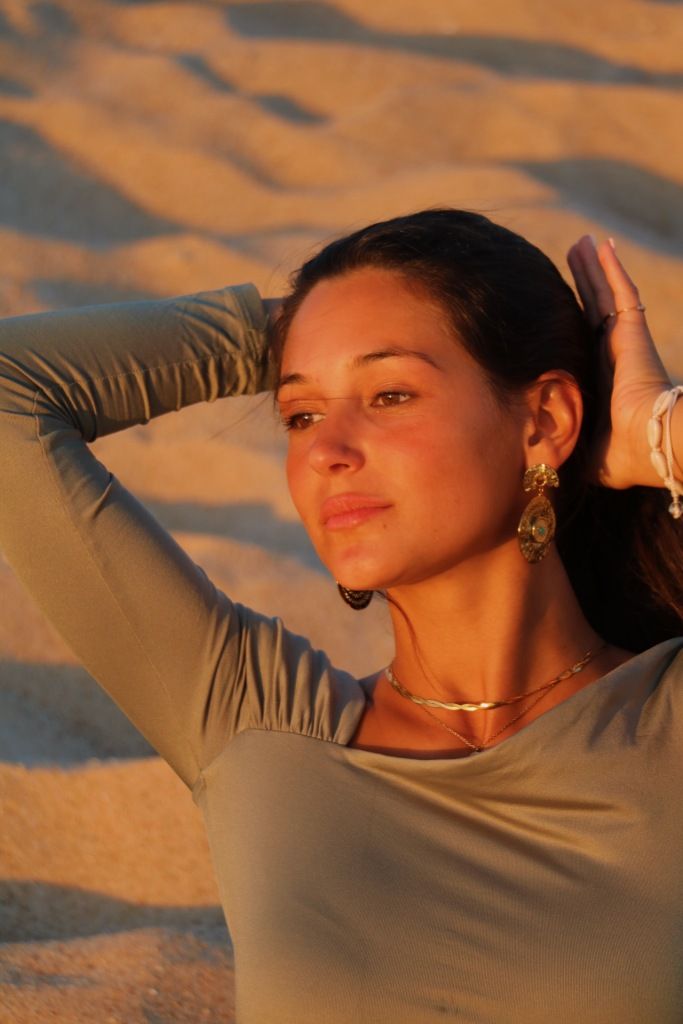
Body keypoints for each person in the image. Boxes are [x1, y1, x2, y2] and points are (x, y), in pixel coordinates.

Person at [0, 209, 681, 1024]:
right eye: (300, 414)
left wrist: (659, 433)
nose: (326, 451)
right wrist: (303, 323)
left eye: (389, 394)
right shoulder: (252, 725)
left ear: (543, 421)